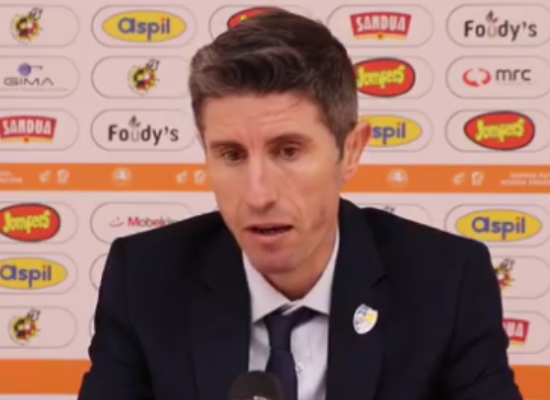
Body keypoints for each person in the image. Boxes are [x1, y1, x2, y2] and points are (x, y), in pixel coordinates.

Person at [77, 9, 523, 400]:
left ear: (350, 150)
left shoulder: (446, 282)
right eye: (231, 154)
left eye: (288, 151)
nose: (259, 195)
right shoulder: (145, 280)